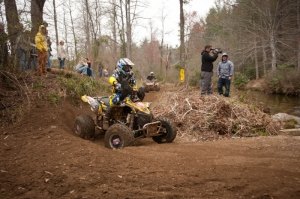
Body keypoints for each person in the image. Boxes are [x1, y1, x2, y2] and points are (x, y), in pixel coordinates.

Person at [104, 58, 136, 129]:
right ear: (121, 66)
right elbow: (111, 78)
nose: (128, 68)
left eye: (129, 67)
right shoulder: (117, 72)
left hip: (128, 93)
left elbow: (134, 83)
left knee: (136, 102)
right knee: (115, 100)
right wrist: (115, 83)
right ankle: (106, 118)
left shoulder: (130, 74)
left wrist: (135, 89)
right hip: (118, 93)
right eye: (126, 67)